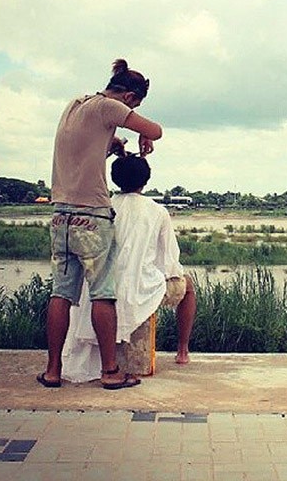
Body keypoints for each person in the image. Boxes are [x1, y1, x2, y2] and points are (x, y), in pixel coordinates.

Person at [37, 58, 162, 390]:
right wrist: (142, 135)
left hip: (61, 215)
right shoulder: (110, 107)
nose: (130, 110)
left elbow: (88, 148)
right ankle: (110, 371)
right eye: (134, 106)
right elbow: (156, 131)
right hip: (91, 216)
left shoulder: (75, 106)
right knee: (103, 294)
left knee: (61, 294)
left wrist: (113, 143)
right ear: (129, 97)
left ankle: (53, 371)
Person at [61, 153, 196, 382]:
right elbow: (170, 260)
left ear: (115, 178)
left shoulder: (103, 207)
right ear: (146, 180)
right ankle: (182, 351)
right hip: (140, 287)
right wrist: (163, 274)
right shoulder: (157, 211)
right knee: (189, 287)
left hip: (100, 288)